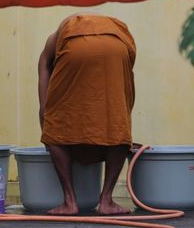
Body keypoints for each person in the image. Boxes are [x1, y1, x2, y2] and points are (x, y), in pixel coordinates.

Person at [37, 12, 136, 215]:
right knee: (116, 121)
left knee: (55, 126)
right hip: (118, 48)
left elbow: (44, 68)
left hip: (75, 50)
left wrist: (45, 109)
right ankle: (106, 200)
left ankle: (70, 201)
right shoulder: (110, 26)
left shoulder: (53, 39)